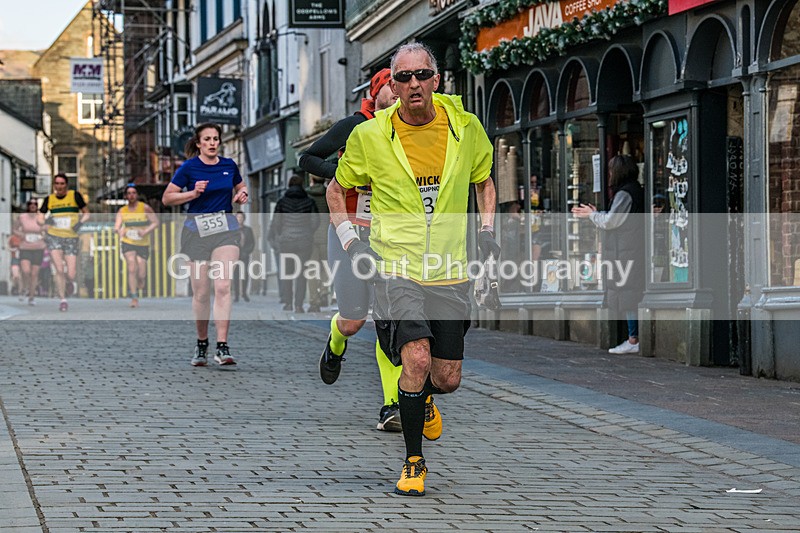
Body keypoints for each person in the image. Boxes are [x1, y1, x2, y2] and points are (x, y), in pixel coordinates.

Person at [329, 43, 498, 496]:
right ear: (392, 85)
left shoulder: (465, 127)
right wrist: (351, 244)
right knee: (416, 358)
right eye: (402, 78)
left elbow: (484, 181)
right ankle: (413, 462)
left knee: (447, 378)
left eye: (421, 75)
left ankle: (422, 400)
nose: (413, 85)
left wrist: (486, 230)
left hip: (449, 268)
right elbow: (335, 189)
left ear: (436, 80)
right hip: (395, 266)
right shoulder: (371, 136)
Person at [301, 68, 404, 432]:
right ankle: (336, 338)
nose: (398, 93)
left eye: (402, 87)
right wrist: (344, 171)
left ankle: (392, 405)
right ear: (376, 94)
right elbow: (308, 160)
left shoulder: (411, 131)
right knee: (355, 318)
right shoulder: (355, 125)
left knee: (387, 320)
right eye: (391, 87)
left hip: (390, 236)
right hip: (347, 231)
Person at [162, 122, 249, 367]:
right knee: (201, 293)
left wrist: (242, 194)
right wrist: (192, 194)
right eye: (207, 139)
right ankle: (202, 343)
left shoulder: (228, 165)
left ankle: (222, 346)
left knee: (222, 286)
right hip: (196, 233)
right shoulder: (189, 168)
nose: (212, 143)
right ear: (199, 143)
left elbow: (241, 186)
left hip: (225, 231)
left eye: (215, 139)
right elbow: (167, 198)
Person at [571, 154, 645, 354]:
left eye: (612, 171)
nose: (609, 175)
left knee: (629, 293)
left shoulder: (625, 194)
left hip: (627, 251)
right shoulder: (635, 191)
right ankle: (633, 337)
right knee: (631, 291)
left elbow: (612, 221)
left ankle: (633, 338)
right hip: (631, 248)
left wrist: (592, 215)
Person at [266, 175, 319, 313]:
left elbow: (276, 223)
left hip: (286, 242)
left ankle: (288, 303)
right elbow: (315, 222)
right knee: (301, 274)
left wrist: (282, 235)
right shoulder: (309, 201)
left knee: (287, 273)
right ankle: (299, 305)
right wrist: (307, 232)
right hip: (304, 241)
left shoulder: (282, 202)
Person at [38, 173, 90, 312]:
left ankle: (68, 284)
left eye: (62, 184)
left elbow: (87, 213)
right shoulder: (49, 199)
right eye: (57, 184)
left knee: (71, 273)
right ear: (54, 185)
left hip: (71, 237)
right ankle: (63, 300)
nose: (59, 187)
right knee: (59, 269)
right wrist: (46, 221)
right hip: (54, 236)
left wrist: (79, 224)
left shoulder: (75, 196)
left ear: (66, 185)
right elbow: (40, 217)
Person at [115, 184, 159, 308]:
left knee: (141, 272)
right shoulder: (122, 211)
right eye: (129, 193)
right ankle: (134, 297)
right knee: (131, 267)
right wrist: (120, 231)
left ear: (137, 195)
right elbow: (116, 227)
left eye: (133, 193)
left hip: (143, 243)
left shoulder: (145, 208)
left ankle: (141, 280)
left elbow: (156, 222)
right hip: (128, 242)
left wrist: (145, 231)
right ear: (125, 196)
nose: (131, 195)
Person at [14, 199, 46, 305]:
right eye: (30, 204)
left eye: (35, 204)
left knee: (34, 273)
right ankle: (24, 288)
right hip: (25, 247)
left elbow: (46, 228)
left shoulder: (40, 217)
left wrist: (44, 235)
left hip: (38, 247)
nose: (33, 206)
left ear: (37, 206)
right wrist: (21, 234)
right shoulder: (22, 217)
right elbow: (14, 229)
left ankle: (31, 297)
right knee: (26, 271)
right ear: (28, 206)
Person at [305, 175, 330, 312]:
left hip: (311, 237)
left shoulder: (306, 195)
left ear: (312, 180)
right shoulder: (329, 193)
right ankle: (324, 293)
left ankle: (314, 302)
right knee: (325, 268)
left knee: (312, 270)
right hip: (326, 235)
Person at [233, 211, 255, 302]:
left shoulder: (248, 230)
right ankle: (236, 295)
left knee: (245, 274)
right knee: (236, 275)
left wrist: (247, 252)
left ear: (244, 219)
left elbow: (252, 243)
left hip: (245, 255)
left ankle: (244, 293)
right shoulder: (233, 230)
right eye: (238, 217)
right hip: (235, 256)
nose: (239, 219)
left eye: (241, 217)